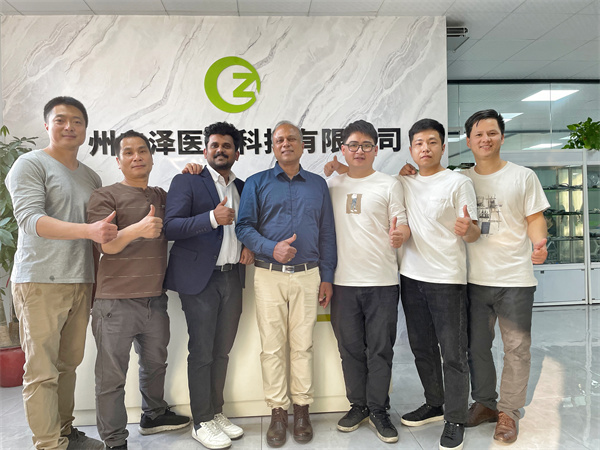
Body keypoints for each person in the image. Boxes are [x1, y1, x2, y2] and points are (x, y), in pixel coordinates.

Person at [5, 96, 117, 450]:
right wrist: (89, 231)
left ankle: (66, 433)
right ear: (47, 125)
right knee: (42, 371)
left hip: (80, 280)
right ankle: (48, 444)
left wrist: (96, 280)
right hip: (40, 281)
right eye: (61, 120)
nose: (69, 127)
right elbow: (30, 220)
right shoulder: (30, 164)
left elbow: (99, 235)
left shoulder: (90, 176)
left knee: (68, 365)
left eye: (77, 121)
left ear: (85, 129)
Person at [86, 130, 191, 450]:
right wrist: (138, 229)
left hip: (154, 299)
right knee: (112, 377)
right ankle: (115, 441)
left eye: (142, 151)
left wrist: (191, 174)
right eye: (128, 153)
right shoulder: (104, 196)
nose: (137, 157)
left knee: (156, 363)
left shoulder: (161, 196)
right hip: (114, 303)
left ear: (151, 157)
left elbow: (185, 206)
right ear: (118, 161)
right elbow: (106, 245)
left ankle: (153, 414)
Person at [235, 121, 337, 447]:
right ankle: (278, 412)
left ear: (302, 144)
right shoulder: (256, 183)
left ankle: (302, 410)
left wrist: (328, 276)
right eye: (279, 139)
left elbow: (327, 233)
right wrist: (271, 248)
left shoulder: (318, 184)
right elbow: (243, 227)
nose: (286, 143)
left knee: (303, 345)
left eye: (292, 138)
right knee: (272, 347)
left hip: (309, 275)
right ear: (273, 146)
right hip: (269, 275)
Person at [164, 122, 254, 450]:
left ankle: (216, 412)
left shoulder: (243, 186)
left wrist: (249, 246)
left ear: (236, 153)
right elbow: (170, 227)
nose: (220, 150)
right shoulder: (187, 180)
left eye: (227, 146)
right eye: (214, 145)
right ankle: (201, 421)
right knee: (202, 352)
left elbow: (247, 226)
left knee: (221, 351)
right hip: (199, 280)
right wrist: (212, 218)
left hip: (232, 276)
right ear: (205, 151)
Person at [461, 110, 548, 444]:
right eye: (479, 134)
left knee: (517, 348)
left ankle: (509, 412)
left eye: (492, 133)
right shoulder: (460, 179)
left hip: (515, 279)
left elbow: (534, 218)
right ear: (468, 141)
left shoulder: (523, 176)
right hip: (473, 279)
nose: (486, 139)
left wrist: (539, 244)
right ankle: (485, 403)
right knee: (477, 347)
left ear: (502, 137)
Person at [325, 120, 410, 444]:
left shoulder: (389, 184)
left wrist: (401, 235)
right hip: (342, 282)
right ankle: (358, 405)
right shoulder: (330, 185)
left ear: (376, 150)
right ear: (343, 149)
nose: (359, 151)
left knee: (380, 349)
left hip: (382, 282)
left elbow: (402, 223)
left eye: (366, 145)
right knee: (349, 349)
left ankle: (378, 409)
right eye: (353, 145)